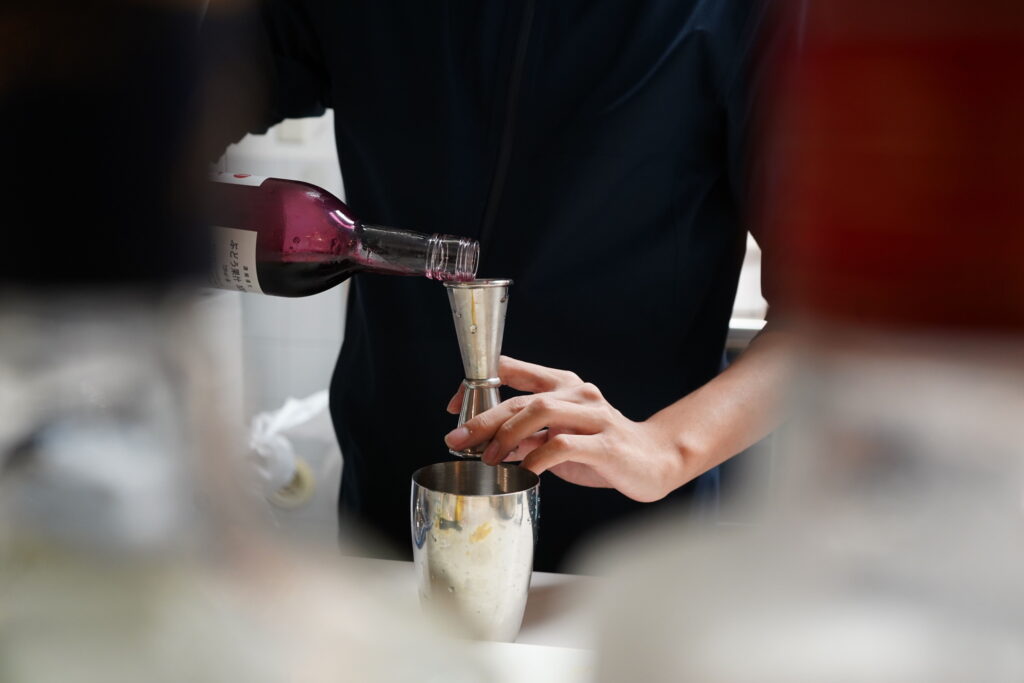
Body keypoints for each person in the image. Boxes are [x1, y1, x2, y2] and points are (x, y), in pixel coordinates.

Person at [207, 0, 787, 571]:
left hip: (629, 553)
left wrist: (666, 449)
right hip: (394, 522)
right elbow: (184, 98)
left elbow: (836, 325)